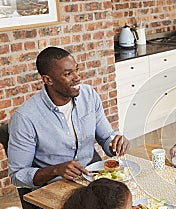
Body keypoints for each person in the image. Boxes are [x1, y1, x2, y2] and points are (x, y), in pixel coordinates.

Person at [8, 46, 129, 188]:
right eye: (68, 74)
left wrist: (116, 143)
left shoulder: (88, 95)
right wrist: (55, 170)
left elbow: (106, 137)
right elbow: (17, 175)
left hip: (92, 179)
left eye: (76, 69)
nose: (77, 77)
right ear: (48, 80)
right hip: (56, 187)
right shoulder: (25, 118)